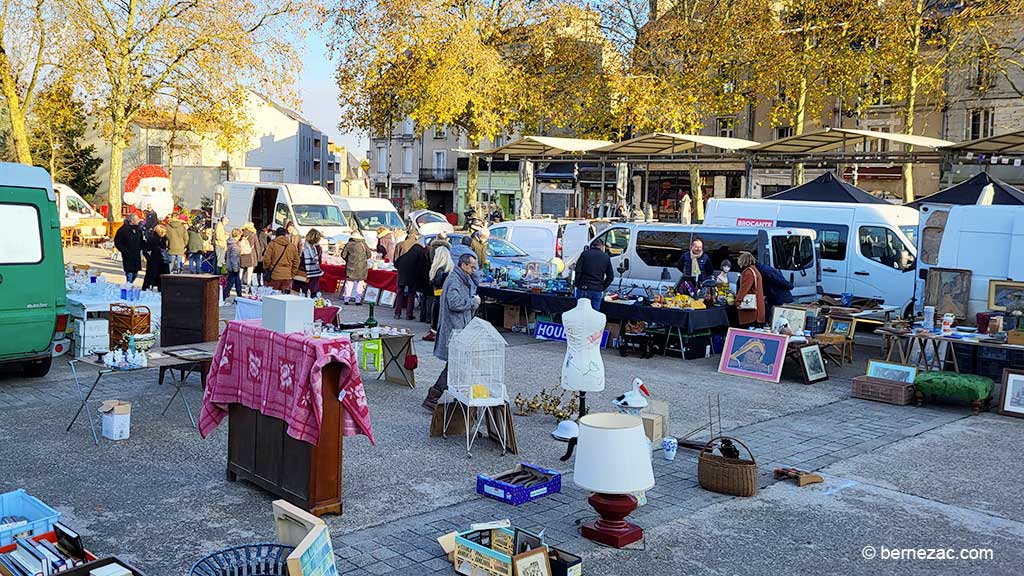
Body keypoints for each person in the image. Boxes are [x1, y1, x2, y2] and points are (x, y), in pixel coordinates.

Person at [422, 253, 481, 412]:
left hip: (460, 328)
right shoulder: (455, 280)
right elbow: (454, 303)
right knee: (455, 365)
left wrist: (474, 271)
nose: (474, 270)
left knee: (457, 365)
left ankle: (444, 396)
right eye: (472, 266)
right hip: (455, 329)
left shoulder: (463, 277)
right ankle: (434, 396)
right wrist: (472, 303)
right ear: (464, 265)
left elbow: (477, 280)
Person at [394, 232, 429, 321]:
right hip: (413, 273)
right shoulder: (419, 247)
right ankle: (409, 314)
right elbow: (422, 264)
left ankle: (397, 313)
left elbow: (395, 261)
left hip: (402, 272)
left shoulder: (400, 245)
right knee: (411, 294)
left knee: (399, 293)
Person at [573, 239, 615, 310]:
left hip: (584, 287)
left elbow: (578, 271)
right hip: (597, 289)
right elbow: (610, 277)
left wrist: (577, 284)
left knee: (580, 312)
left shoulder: (585, 254)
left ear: (591, 246)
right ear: (602, 247)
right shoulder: (606, 257)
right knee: (594, 314)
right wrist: (602, 287)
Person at [424, 246, 454, 341]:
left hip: (438, 295)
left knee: (436, 313)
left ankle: (434, 332)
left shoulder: (439, 270)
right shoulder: (450, 268)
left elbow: (436, 283)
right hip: (446, 295)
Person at [262, 227, 300, 293]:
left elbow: (266, 259)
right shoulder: (292, 246)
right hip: (287, 275)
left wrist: (267, 268)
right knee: (285, 298)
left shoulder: (272, 244)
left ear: (276, 234)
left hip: (274, 275)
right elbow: (297, 261)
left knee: (273, 297)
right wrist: (292, 273)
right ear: (285, 234)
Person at [735, 251, 766, 328]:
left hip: (752, 311)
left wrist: (738, 301)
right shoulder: (754, 270)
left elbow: (744, 289)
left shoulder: (748, 272)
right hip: (758, 308)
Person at [341, 231, 372, 304]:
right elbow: (369, 254)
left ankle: (346, 299)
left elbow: (343, 255)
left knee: (349, 283)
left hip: (350, 266)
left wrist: (349, 260)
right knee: (360, 283)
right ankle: (358, 300)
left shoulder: (349, 244)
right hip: (362, 267)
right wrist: (363, 260)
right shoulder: (363, 244)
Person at [114, 214, 144, 283]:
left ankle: (130, 284)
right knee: (129, 272)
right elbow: (118, 242)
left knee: (135, 273)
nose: (138, 221)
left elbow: (141, 241)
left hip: (136, 254)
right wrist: (125, 251)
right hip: (128, 254)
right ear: (131, 220)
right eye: (137, 219)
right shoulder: (123, 230)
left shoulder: (138, 229)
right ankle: (128, 286)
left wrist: (144, 247)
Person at [142, 224, 169, 291]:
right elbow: (146, 249)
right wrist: (149, 258)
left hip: (162, 261)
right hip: (154, 260)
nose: (164, 233)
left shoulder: (164, 239)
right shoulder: (152, 239)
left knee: (162, 275)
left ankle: (161, 288)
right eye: (163, 232)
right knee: (152, 275)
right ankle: (148, 287)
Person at [297, 228, 324, 295]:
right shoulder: (318, 248)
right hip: (314, 273)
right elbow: (319, 261)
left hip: (304, 273)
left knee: (301, 293)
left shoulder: (305, 247)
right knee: (312, 293)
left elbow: (302, 261)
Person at [223, 229, 243, 301]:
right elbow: (234, 258)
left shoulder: (230, 244)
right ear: (238, 235)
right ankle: (223, 296)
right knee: (230, 284)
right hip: (234, 267)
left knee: (237, 282)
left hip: (230, 266)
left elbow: (226, 256)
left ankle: (239, 296)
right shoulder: (235, 246)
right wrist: (235, 268)